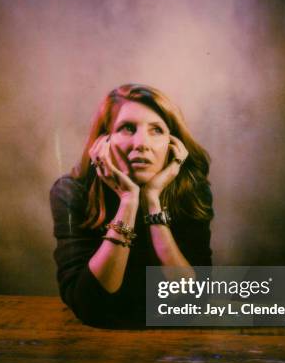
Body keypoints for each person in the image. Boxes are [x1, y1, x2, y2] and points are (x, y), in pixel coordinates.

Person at [50, 84, 213, 328]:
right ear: (103, 141)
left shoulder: (192, 189)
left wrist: (152, 201)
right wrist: (129, 200)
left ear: (173, 144)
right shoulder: (71, 192)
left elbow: (195, 300)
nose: (141, 143)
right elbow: (88, 306)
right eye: (127, 128)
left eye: (156, 130)